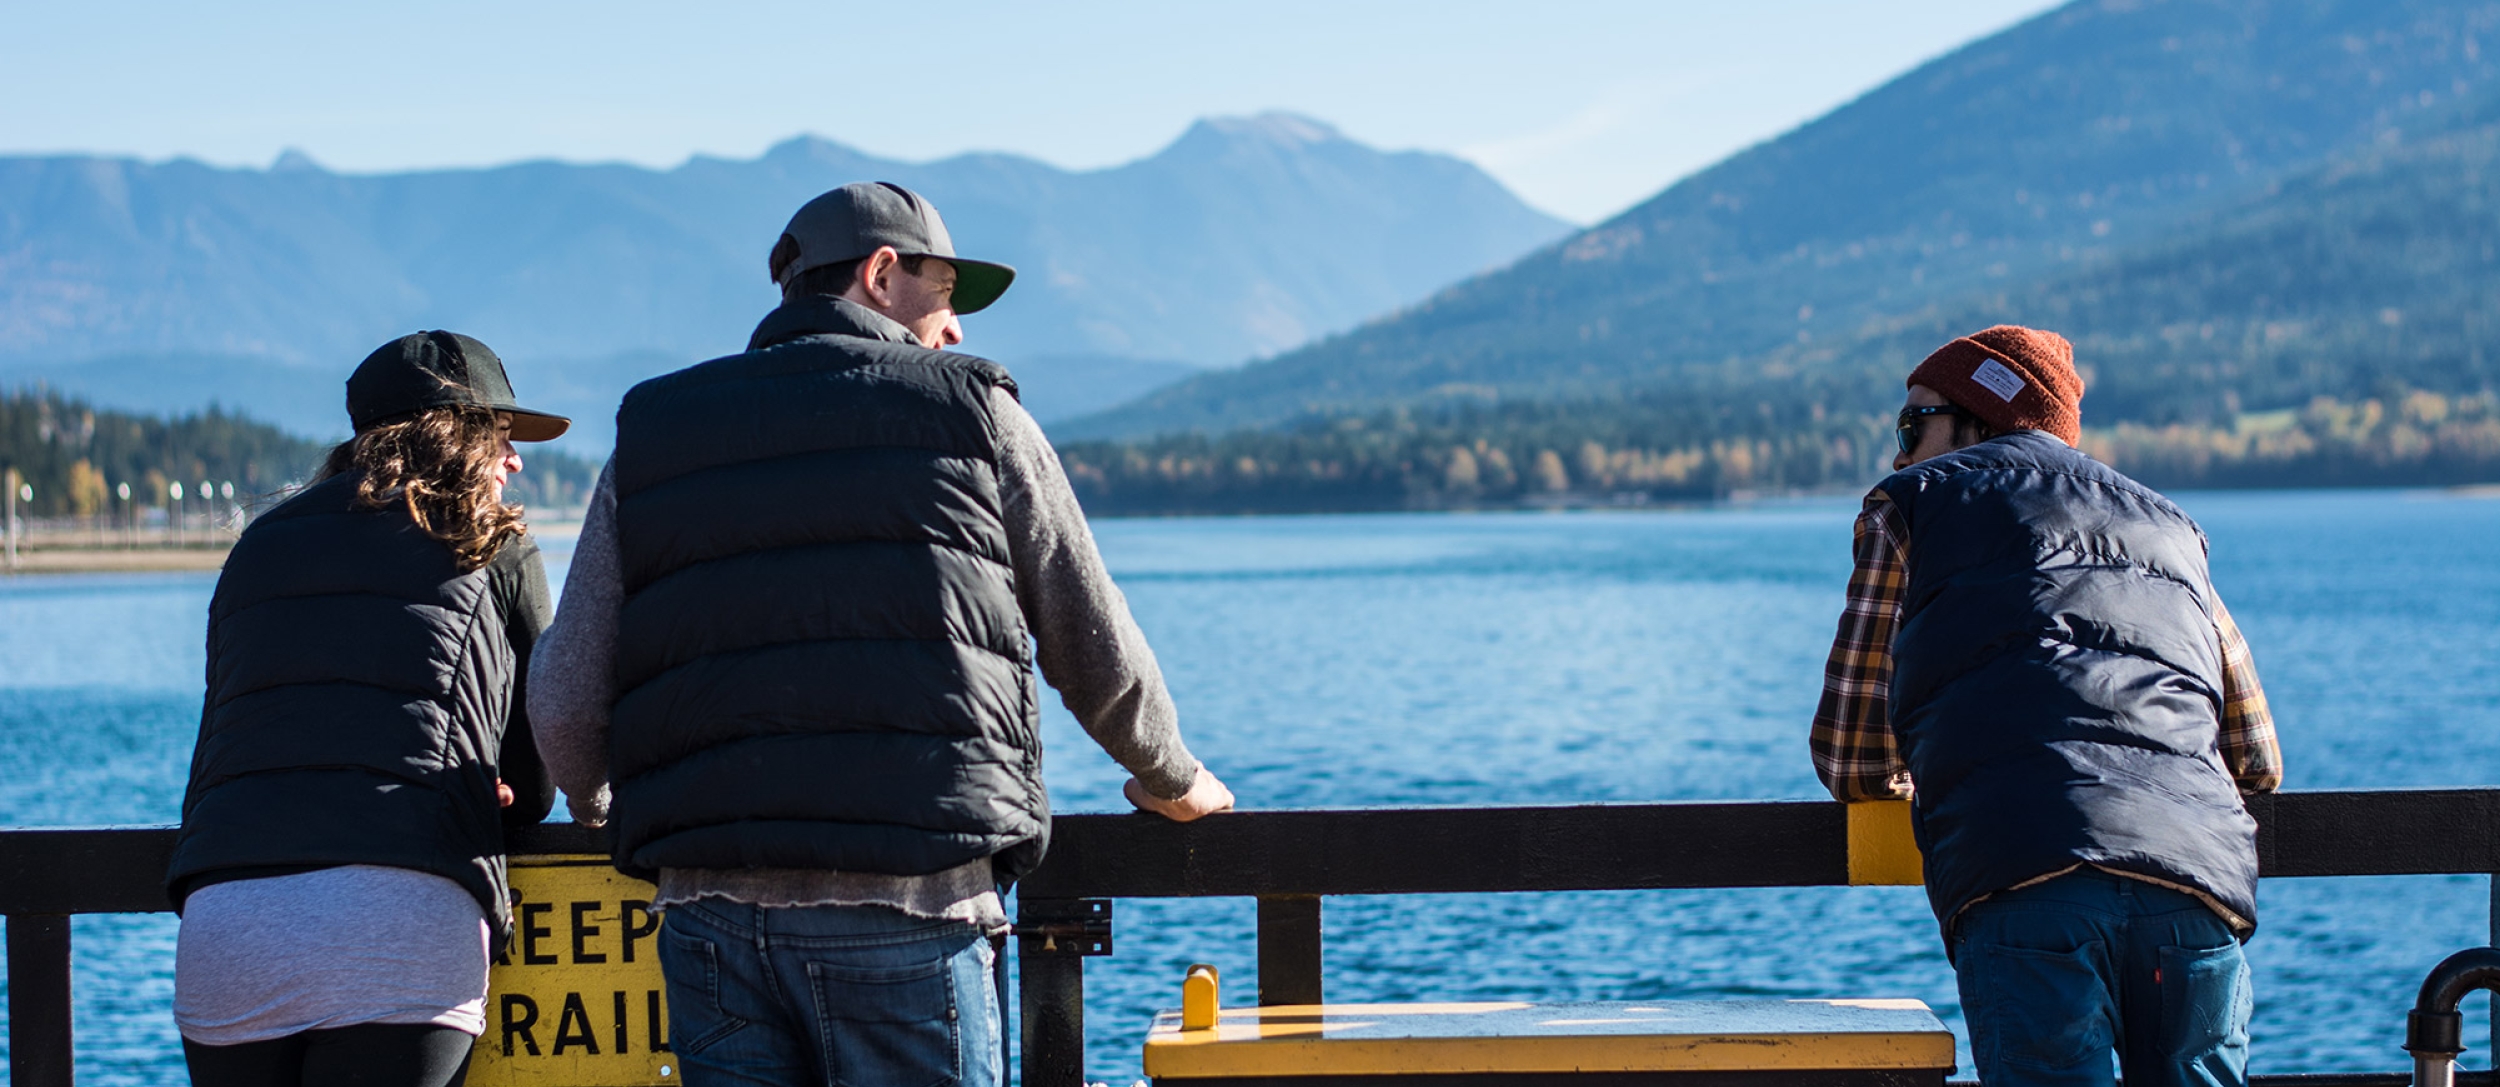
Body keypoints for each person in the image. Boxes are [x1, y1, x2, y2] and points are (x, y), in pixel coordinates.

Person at [529, 180, 1234, 1087]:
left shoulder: (654, 435)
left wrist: (599, 811)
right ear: (881, 273)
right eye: (945, 297)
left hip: (706, 914)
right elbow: (1089, 634)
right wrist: (1173, 777)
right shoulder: (974, 413)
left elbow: (563, 696)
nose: (956, 329)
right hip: (909, 908)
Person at [1809, 325, 2281, 1087]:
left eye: (1911, 423)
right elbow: (2256, 756)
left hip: (2026, 871)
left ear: (1978, 417)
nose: (1898, 452)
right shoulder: (2167, 524)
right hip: (2196, 884)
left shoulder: (1910, 506)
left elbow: (1852, 756)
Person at [165, 331, 570, 1087]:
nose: (515, 461)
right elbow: (539, 778)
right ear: (457, 436)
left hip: (230, 922)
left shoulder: (259, 544)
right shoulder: (495, 543)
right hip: (400, 918)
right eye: (503, 437)